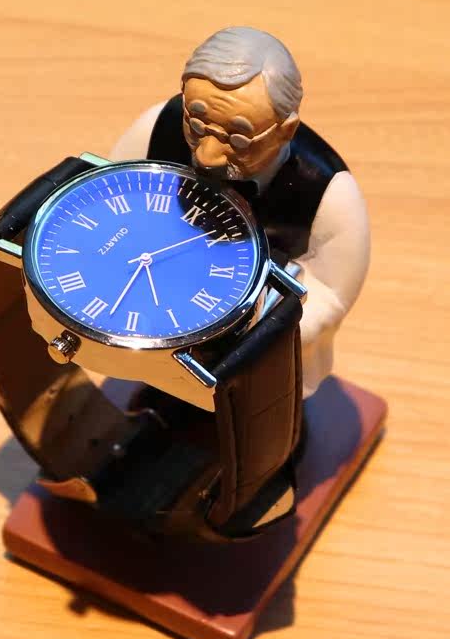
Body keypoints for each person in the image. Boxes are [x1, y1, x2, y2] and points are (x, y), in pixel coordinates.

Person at [110, 26, 370, 398]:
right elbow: (110, 197)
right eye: (196, 126)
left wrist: (249, 333)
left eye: (238, 139)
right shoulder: (157, 127)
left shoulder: (329, 193)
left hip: (252, 353)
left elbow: (330, 294)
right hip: (153, 305)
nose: (206, 157)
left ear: (286, 130)